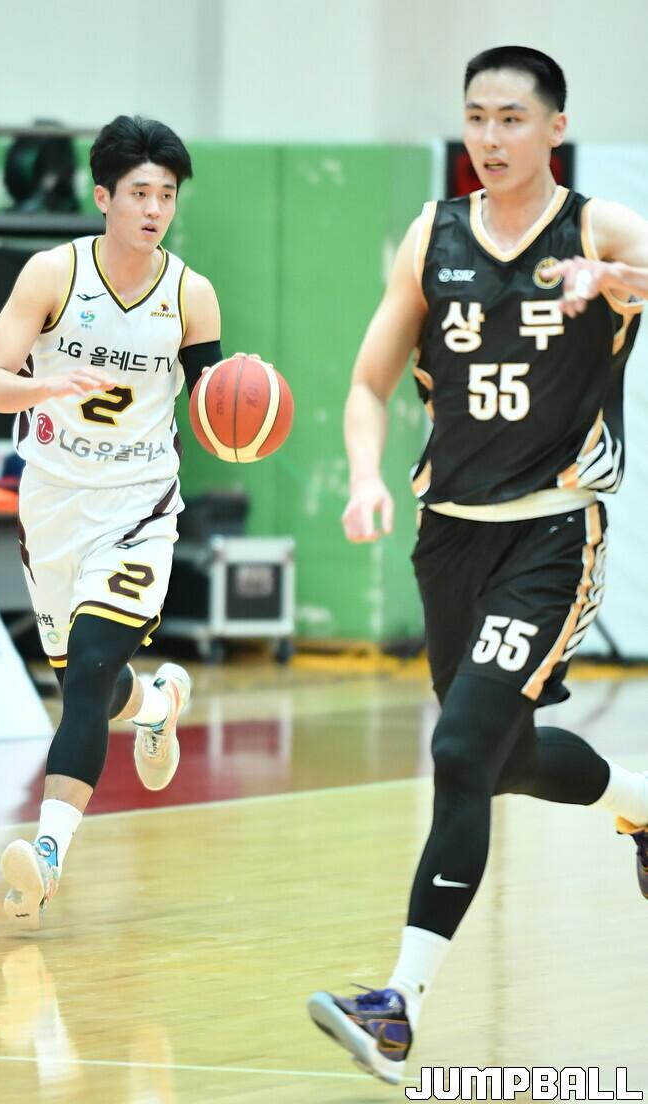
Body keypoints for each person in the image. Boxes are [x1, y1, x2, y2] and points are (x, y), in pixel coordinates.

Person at [307, 46, 648, 1083]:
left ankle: (396, 1007)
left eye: (511, 119)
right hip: (447, 532)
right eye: (476, 118)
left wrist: (622, 280)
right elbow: (367, 383)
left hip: (549, 533)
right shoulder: (434, 234)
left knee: (460, 751)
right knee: (498, 758)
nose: (490, 138)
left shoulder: (599, 228)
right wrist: (362, 477)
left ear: (554, 128)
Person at [0, 115, 225, 931]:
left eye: (166, 195)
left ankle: (47, 855)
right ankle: (153, 703)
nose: (153, 209)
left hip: (138, 504)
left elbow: (216, 408)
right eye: (139, 193)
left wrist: (244, 412)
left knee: (85, 675)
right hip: (53, 501)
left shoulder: (189, 294)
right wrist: (43, 387)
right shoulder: (53, 274)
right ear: (102, 196)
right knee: (92, 685)